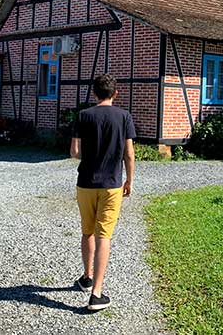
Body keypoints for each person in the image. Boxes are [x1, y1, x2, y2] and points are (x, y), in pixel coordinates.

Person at [70, 74, 136, 311]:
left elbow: (74, 152)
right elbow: (129, 154)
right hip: (111, 184)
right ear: (115, 93)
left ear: (94, 93)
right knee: (103, 236)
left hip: (85, 183)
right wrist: (129, 179)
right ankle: (96, 293)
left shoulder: (83, 116)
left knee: (87, 231)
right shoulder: (124, 116)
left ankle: (86, 278)